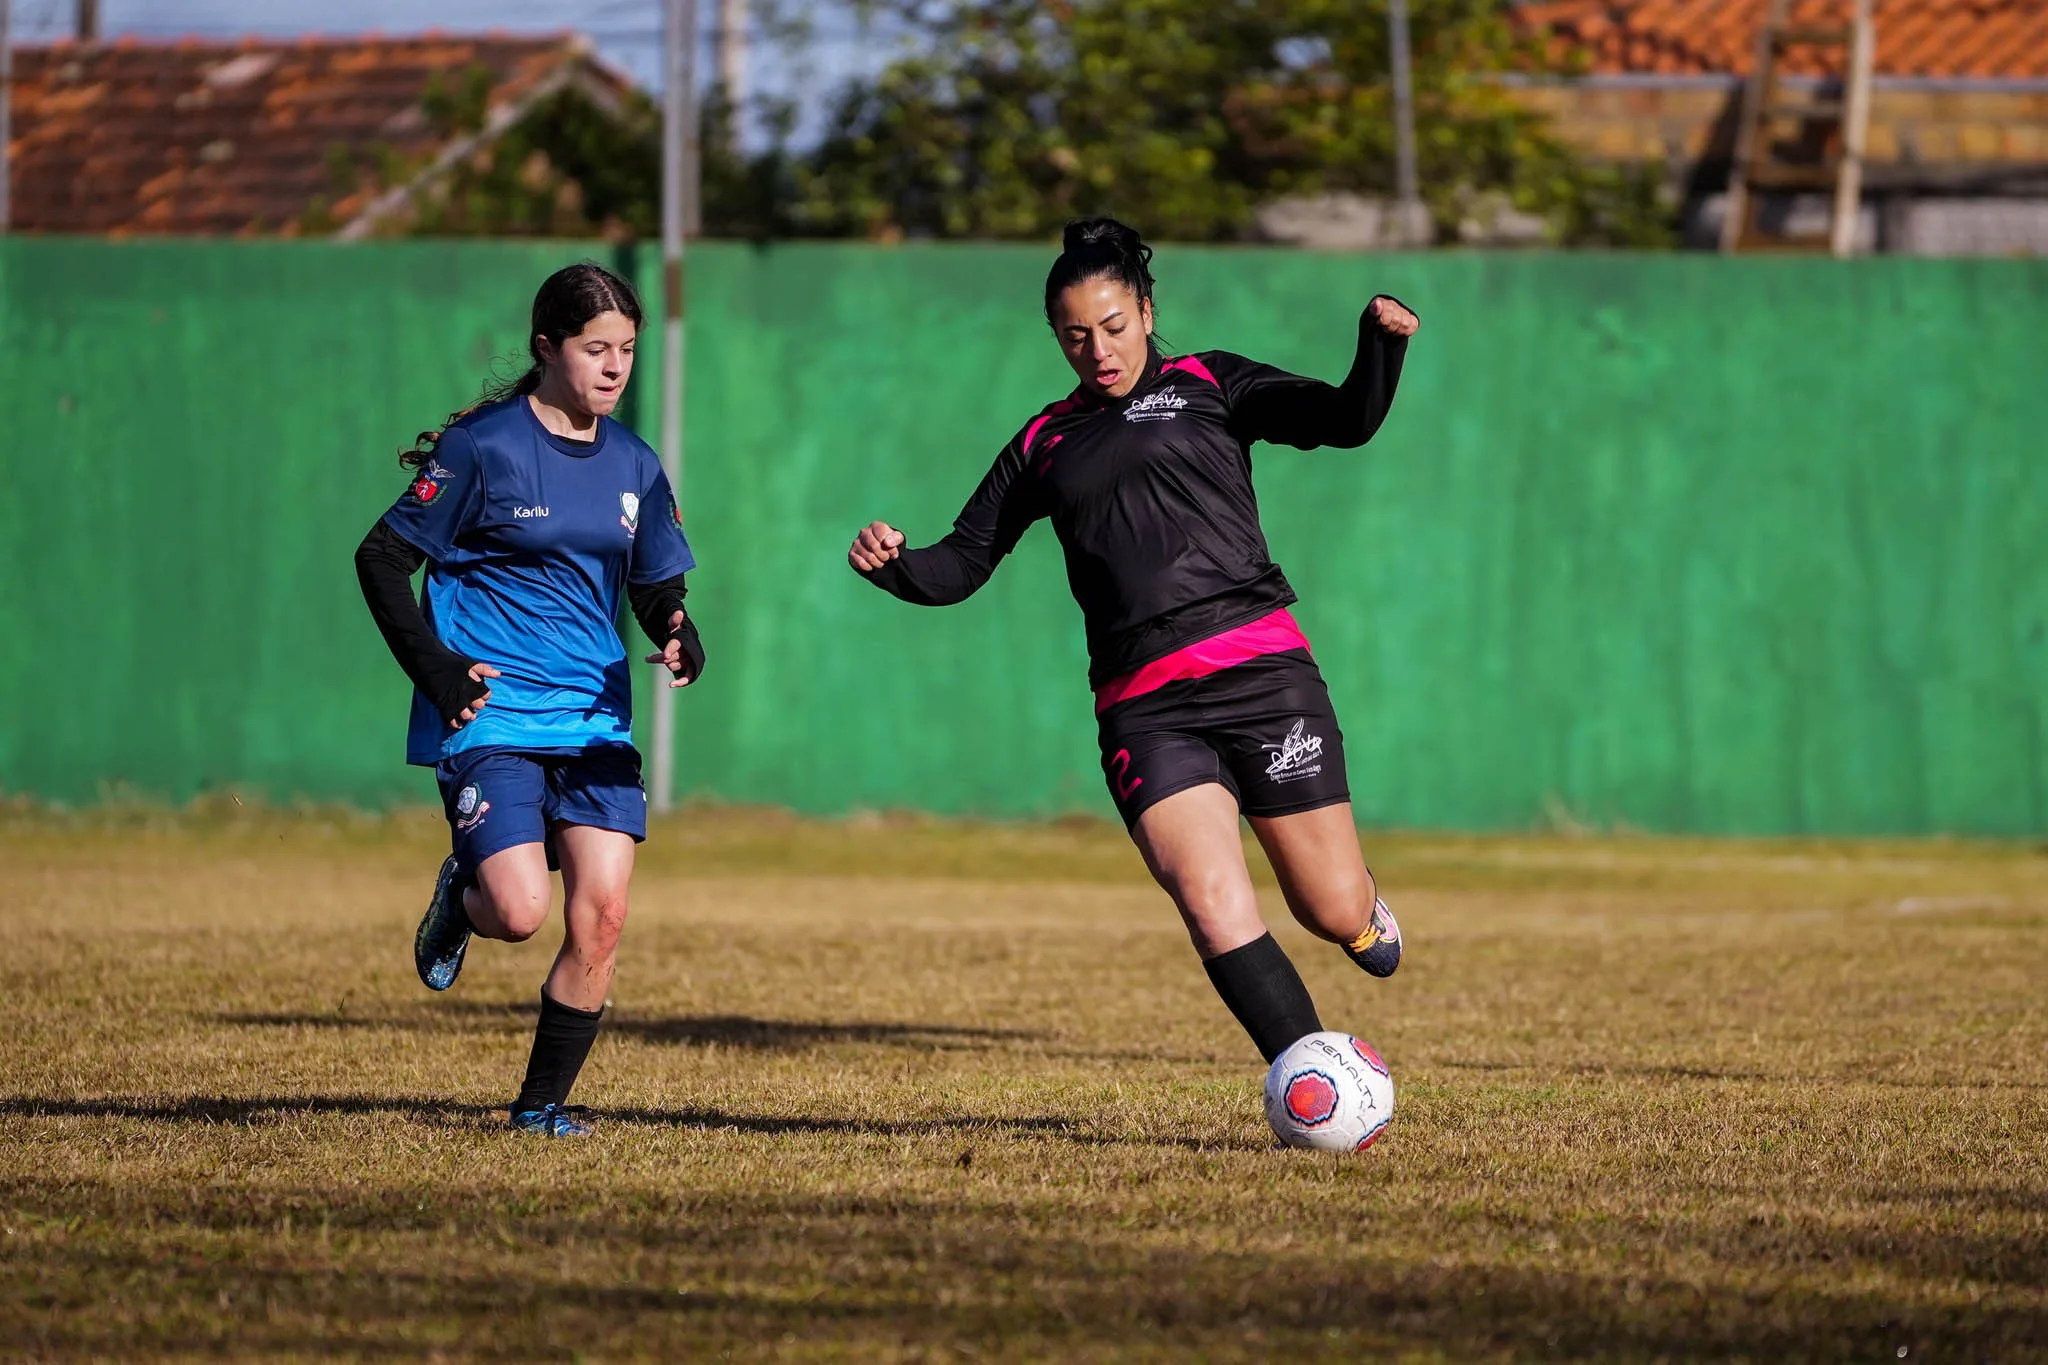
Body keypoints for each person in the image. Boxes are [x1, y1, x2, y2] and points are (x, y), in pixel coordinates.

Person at [847, 218, 1418, 1067]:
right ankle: (1314, 1073)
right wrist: (897, 566)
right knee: (1210, 896)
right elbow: (964, 561)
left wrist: (1381, 344)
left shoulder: (1212, 383)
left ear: (1147, 311)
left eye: (1113, 327)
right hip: (1145, 707)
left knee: (1329, 908)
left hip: (1261, 674)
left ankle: (1364, 910)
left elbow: (1345, 418)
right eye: (1076, 337)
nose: (1098, 351)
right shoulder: (1045, 441)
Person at [353, 262, 703, 1138]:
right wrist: (436, 671)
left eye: (626, 349)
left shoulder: (635, 462)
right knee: (517, 911)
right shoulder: (485, 448)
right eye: (596, 349)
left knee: (604, 913)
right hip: (492, 716)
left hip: (593, 720)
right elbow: (381, 559)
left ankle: (539, 1106)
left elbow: (655, 580)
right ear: (548, 348)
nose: (616, 367)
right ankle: (461, 890)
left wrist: (676, 626)